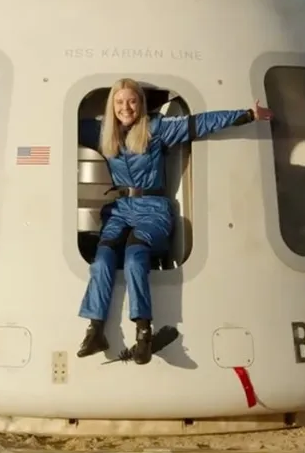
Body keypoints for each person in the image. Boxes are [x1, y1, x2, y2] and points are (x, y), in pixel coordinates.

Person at [75, 78, 273, 364]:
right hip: (121, 209)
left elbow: (199, 124)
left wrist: (246, 115)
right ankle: (95, 329)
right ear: (112, 106)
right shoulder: (102, 132)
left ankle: (143, 331)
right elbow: (58, 121)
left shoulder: (156, 129)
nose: (125, 107)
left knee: (134, 256)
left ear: (140, 103)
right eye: (119, 102)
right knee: (103, 257)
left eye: (131, 101)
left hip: (152, 208)